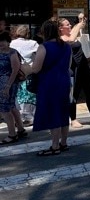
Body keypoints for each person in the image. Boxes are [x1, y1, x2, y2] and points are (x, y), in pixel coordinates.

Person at [31, 20, 72, 155]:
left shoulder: (44, 47)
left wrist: (26, 68)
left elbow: (36, 68)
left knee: (53, 112)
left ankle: (55, 146)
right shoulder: (67, 46)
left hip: (49, 82)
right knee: (63, 111)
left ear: (45, 32)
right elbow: (69, 65)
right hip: (64, 80)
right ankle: (64, 143)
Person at [59, 15, 90, 128]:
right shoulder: (61, 39)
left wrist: (81, 21)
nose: (70, 25)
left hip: (84, 67)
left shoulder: (73, 35)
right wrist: (78, 25)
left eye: (70, 24)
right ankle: (73, 119)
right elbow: (70, 40)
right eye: (67, 24)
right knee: (74, 95)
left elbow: (79, 29)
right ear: (60, 28)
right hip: (73, 69)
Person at [0, 31, 27, 144]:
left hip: (9, 84)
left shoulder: (12, 53)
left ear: (8, 42)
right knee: (11, 107)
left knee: (5, 109)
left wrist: (7, 86)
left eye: (3, 41)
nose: (1, 43)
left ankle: (12, 134)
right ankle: (20, 129)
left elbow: (15, 70)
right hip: (3, 84)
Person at [10, 25, 39, 126]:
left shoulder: (12, 43)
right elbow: (39, 54)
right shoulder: (33, 43)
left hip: (17, 72)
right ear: (28, 33)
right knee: (30, 94)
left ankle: (20, 117)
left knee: (18, 95)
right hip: (30, 71)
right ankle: (30, 116)